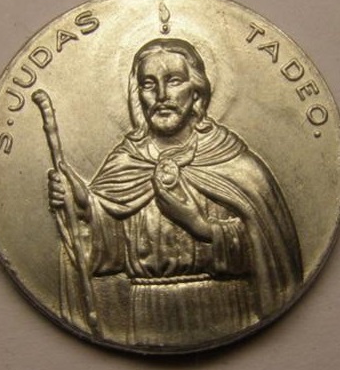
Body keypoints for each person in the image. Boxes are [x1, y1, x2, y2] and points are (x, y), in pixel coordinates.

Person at [48, 38, 303, 348]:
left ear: (196, 91)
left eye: (174, 81)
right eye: (148, 84)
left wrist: (201, 226)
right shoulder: (125, 163)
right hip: (145, 316)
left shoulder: (237, 166)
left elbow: (267, 251)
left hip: (225, 311)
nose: (161, 96)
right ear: (137, 95)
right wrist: (84, 206)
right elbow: (105, 254)